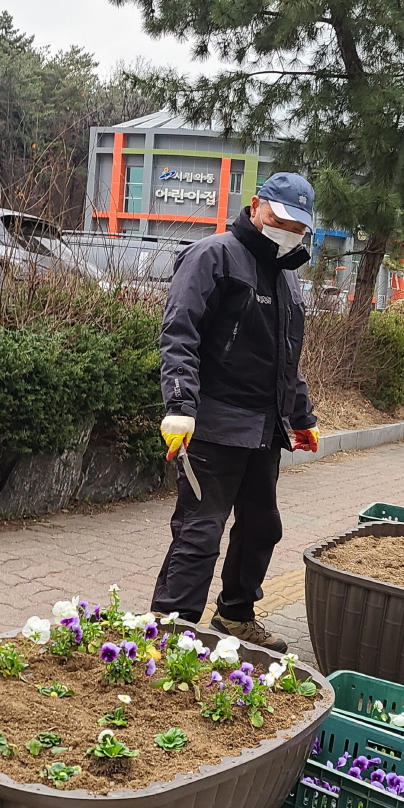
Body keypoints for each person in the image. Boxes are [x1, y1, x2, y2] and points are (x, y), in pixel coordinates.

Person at [151, 172, 321, 651]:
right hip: (213, 424)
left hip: (265, 429)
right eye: (280, 219)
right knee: (201, 529)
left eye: (298, 227)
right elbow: (179, 332)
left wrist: (300, 416)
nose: (287, 231)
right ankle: (171, 629)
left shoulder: (287, 273)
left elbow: (285, 359)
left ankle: (235, 616)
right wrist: (180, 407)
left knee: (262, 525)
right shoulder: (214, 255)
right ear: (256, 206)